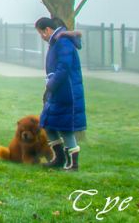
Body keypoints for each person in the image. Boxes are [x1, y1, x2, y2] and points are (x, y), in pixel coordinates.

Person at [35, 16, 86, 171]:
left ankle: (73, 163)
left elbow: (63, 68)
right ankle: (59, 158)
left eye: (41, 33)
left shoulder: (63, 43)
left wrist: (50, 84)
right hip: (57, 90)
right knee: (47, 123)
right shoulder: (56, 42)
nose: (41, 37)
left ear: (48, 30)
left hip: (67, 92)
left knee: (65, 128)